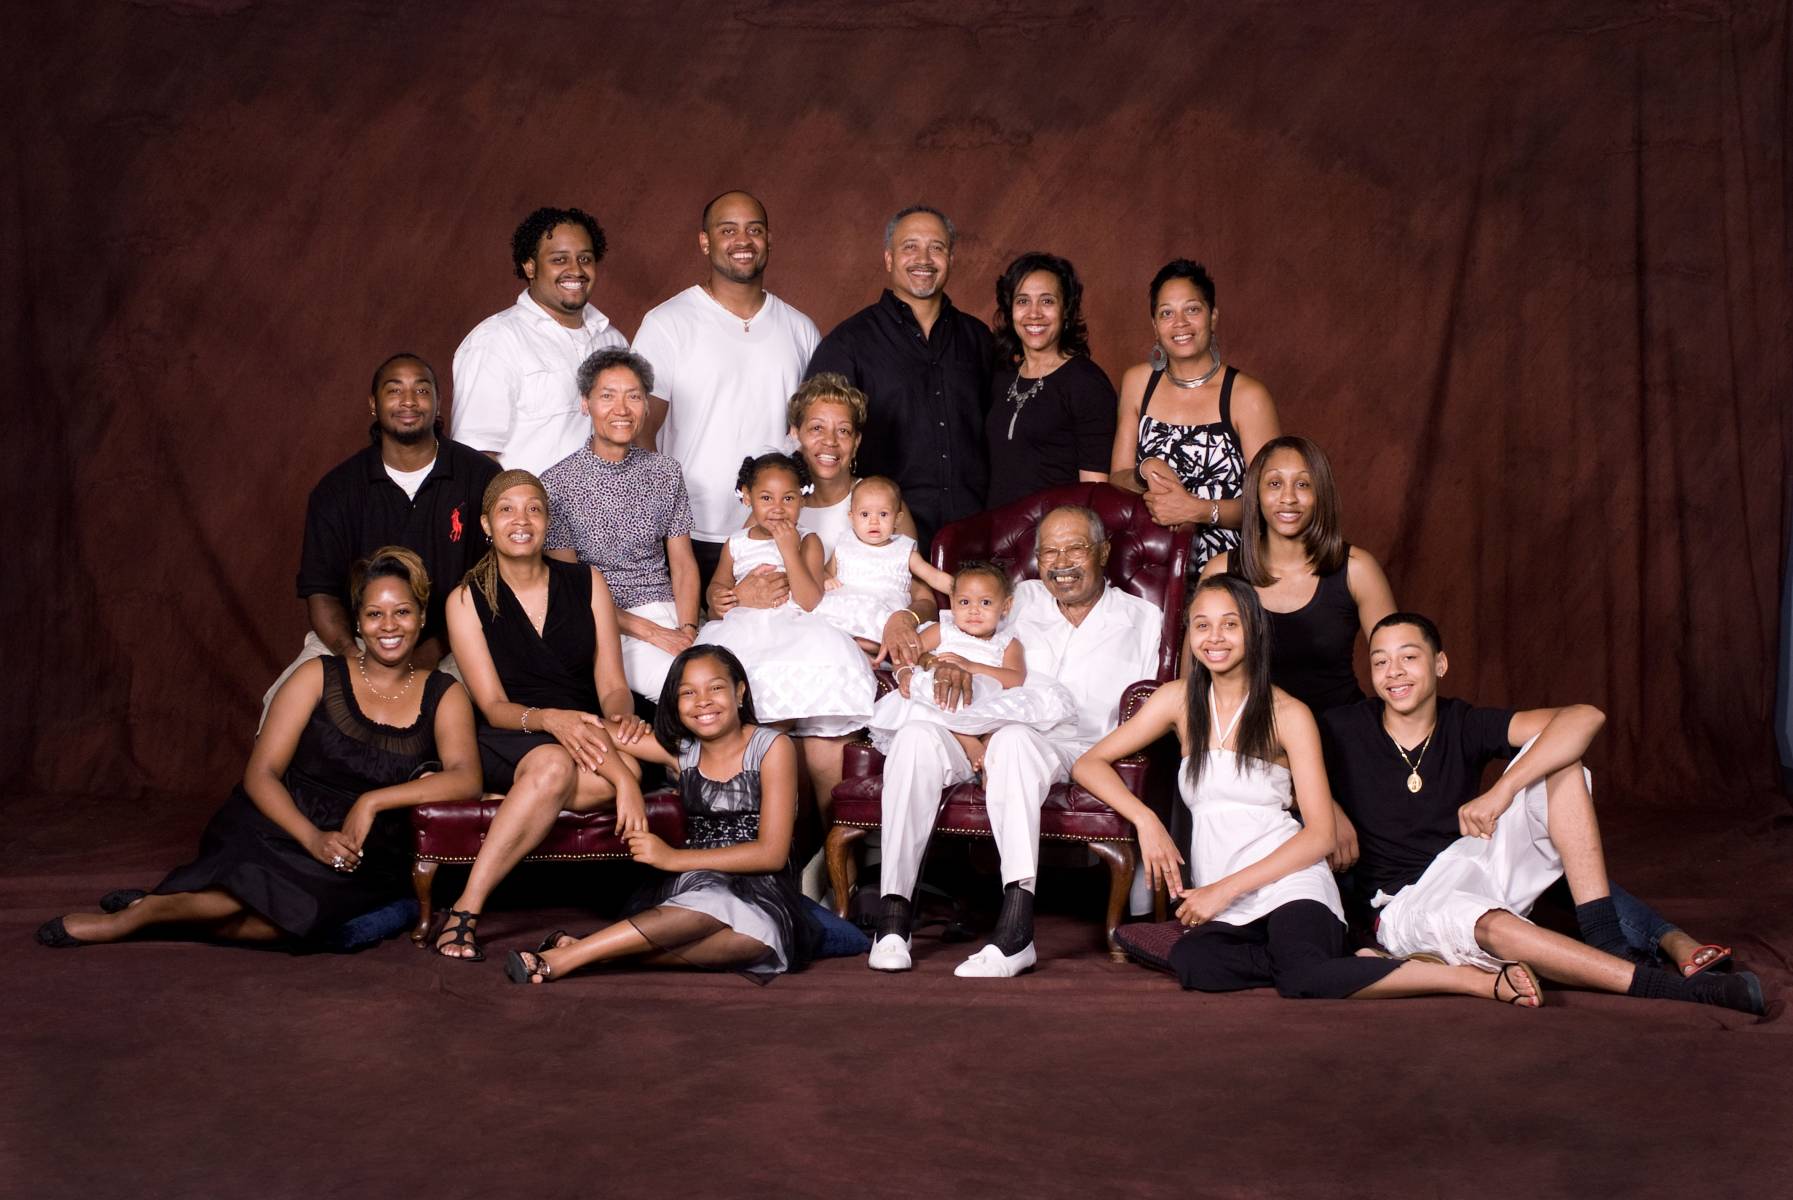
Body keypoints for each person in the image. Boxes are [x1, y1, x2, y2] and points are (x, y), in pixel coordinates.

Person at [1073, 577, 1539, 1004]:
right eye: (1202, 625)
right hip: (1225, 894)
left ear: (1253, 631)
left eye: (1229, 624)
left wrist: (1220, 892)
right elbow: (1088, 764)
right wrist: (1147, 820)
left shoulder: (1289, 713)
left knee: (1301, 978)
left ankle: (1463, 979)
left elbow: (1319, 835)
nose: (1214, 638)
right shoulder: (1176, 701)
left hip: (1290, 882)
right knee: (1198, 965)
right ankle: (1345, 960)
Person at [1320, 613, 1764, 1013]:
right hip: (1405, 904)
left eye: (1408, 657)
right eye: (1379, 662)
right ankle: (1669, 987)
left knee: (1561, 756)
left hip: (1470, 861)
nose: (1393, 672)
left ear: (1440, 665)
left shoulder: (1464, 722)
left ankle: (1607, 941)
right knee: (1489, 923)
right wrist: (1330, 808)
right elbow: (1279, 753)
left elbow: (1584, 717)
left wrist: (1502, 791)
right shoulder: (1347, 727)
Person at [39, 549, 482, 950]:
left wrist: (372, 802)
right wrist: (310, 837)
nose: (389, 626)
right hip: (282, 823)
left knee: (298, 924)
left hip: (364, 850)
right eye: (374, 614)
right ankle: (140, 917)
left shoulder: (444, 693)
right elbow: (261, 773)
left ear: (422, 618)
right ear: (358, 621)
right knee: (242, 895)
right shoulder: (316, 675)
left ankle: (161, 913)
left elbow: (466, 779)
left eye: (402, 612)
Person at [868, 506, 1162, 977]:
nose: (1061, 561)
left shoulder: (1143, 618)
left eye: (1076, 548)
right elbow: (948, 613)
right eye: (1049, 551)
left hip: (1079, 748)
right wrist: (903, 624)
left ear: (1104, 552)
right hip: (973, 727)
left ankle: (1015, 931)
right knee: (915, 737)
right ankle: (893, 919)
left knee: (1015, 744)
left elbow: (1158, 705)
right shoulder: (1017, 598)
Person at [433, 471, 653, 961]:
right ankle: (466, 909)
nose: (522, 519)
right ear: (487, 524)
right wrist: (554, 721)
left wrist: (618, 719)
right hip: (513, 729)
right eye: (507, 509)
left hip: (585, 728)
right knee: (557, 766)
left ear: (548, 522)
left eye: (534, 508)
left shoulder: (586, 581)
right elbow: (491, 704)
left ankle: (520, 799)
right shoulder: (466, 598)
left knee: (624, 765)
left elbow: (613, 686)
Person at [505, 646, 818, 984]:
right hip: (702, 879)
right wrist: (624, 780)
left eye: (715, 688)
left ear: (739, 692)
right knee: (712, 901)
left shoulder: (773, 747)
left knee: (756, 942)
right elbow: (592, 729)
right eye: (687, 692)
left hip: (761, 884)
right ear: (674, 703)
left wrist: (671, 858)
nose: (702, 701)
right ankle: (563, 960)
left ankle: (583, 951)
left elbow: (771, 854)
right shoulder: (682, 752)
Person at [264, 352, 498, 721]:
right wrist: (351, 658)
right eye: (394, 391)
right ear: (374, 404)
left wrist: (430, 651)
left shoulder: (479, 476)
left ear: (438, 403)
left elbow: (493, 582)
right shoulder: (337, 490)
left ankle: (428, 777)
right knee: (282, 706)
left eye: (421, 390)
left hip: (451, 642)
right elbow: (320, 590)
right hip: (358, 641)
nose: (408, 401)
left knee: (452, 720)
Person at [630, 190, 821, 597]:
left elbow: (816, 433)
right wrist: (662, 520)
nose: (743, 240)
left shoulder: (800, 330)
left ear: (769, 239)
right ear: (705, 241)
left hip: (777, 533)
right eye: (728, 230)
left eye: (754, 230)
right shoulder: (667, 323)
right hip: (690, 531)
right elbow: (640, 429)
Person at [806, 205, 993, 547]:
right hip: (883, 543)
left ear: (950, 258)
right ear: (889, 258)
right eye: (910, 247)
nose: (923, 258)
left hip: (977, 535)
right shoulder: (848, 343)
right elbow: (817, 443)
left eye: (936, 247)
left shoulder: (979, 340)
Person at [543, 348, 699, 701]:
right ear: (586, 403)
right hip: (607, 625)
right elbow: (573, 591)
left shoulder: (666, 472)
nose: (622, 409)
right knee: (690, 689)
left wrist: (687, 629)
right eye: (607, 396)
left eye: (633, 396)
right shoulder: (556, 485)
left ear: (646, 405)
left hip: (672, 614)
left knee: (734, 677)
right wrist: (654, 633)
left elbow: (683, 564)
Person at [1201, 436, 1395, 715]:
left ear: (1321, 494)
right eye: (1275, 484)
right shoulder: (1221, 571)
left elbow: (1398, 665)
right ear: (1255, 492)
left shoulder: (1357, 569)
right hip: (1252, 741)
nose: (1288, 498)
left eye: (1303, 484)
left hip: (1341, 737)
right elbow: (1194, 681)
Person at [1109, 259, 1280, 574]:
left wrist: (1197, 510)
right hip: (1148, 566)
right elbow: (1117, 478)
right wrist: (1146, 470)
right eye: (1166, 313)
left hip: (1228, 572)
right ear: (1154, 325)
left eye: (1192, 309)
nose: (1180, 324)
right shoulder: (1138, 382)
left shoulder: (1247, 397)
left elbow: (1271, 503)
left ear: (1213, 317)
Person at [695, 453, 876, 739]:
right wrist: (718, 597)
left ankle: (776, 753)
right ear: (747, 497)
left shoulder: (808, 541)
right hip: (743, 634)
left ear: (803, 500)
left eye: (788, 499)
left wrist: (789, 549)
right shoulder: (736, 543)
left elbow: (808, 601)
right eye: (766, 498)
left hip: (794, 632)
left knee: (780, 711)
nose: (778, 508)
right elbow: (716, 591)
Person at [451, 206, 628, 474]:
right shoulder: (496, 340)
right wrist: (523, 509)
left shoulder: (612, 341)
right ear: (530, 266)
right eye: (559, 260)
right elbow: (474, 455)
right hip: (532, 513)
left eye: (585, 258)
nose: (575, 270)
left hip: (609, 512)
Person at [867, 561, 1076, 766]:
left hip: (983, 699)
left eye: (985, 603)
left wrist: (973, 667)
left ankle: (987, 748)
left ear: (1005, 606)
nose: (974, 611)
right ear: (952, 602)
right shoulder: (943, 631)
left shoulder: (1008, 643)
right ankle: (969, 743)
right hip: (943, 695)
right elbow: (906, 654)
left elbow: (1016, 678)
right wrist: (904, 673)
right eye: (965, 602)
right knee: (927, 701)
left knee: (1005, 720)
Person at [985, 252, 1116, 508]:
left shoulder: (1086, 383)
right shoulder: (1001, 377)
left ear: (1066, 309)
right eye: (1022, 301)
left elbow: (1095, 493)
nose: (1034, 313)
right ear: (1010, 309)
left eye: (1047, 301)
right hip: (997, 535)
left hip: (1055, 541)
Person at [814, 476, 954, 652]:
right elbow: (825, 571)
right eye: (865, 514)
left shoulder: (904, 549)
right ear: (852, 517)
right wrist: (826, 578)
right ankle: (851, 648)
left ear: (897, 519)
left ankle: (867, 649)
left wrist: (959, 589)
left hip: (884, 608)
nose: (874, 521)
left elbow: (932, 576)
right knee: (821, 625)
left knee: (873, 640)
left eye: (883, 514)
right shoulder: (845, 542)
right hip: (846, 603)